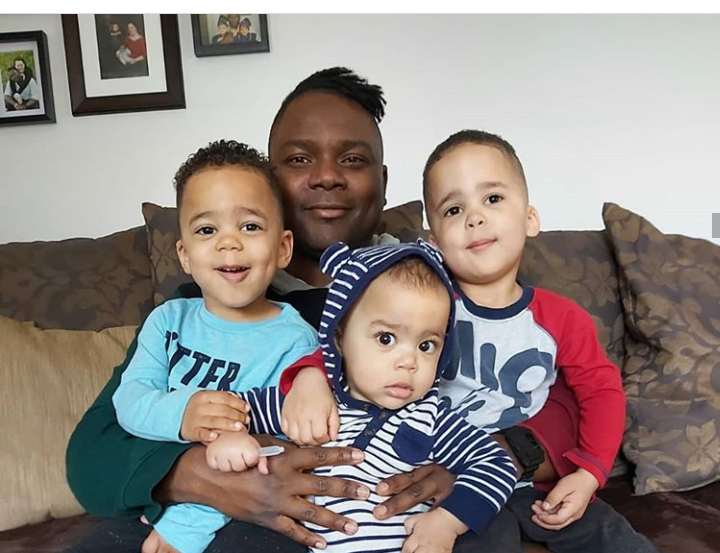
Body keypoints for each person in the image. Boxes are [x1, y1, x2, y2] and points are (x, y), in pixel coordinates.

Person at [65, 68, 569, 553]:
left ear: (383, 181)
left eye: (352, 159)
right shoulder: (204, 306)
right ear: (270, 180)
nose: (327, 176)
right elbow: (93, 453)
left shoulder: (442, 283)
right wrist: (205, 479)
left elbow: (566, 397)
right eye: (300, 159)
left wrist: (497, 460)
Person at [421, 130, 657, 552]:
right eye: (454, 209)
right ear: (434, 242)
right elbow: (359, 347)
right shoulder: (424, 308)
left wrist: (589, 472)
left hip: (536, 485)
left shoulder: (563, 317)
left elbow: (601, 392)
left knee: (620, 542)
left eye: (492, 198)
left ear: (530, 219)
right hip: (456, 485)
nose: (474, 218)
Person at [233, 241, 517, 553]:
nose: (409, 361)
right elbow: (234, 411)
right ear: (339, 339)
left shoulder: (431, 419)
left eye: (426, 345)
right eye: (386, 338)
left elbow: (496, 464)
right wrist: (229, 438)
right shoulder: (313, 403)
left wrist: (447, 522)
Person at [112, 139, 326, 553]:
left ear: (283, 247)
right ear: (184, 254)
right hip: (159, 497)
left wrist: (186, 527)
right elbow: (130, 400)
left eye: (250, 226)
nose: (230, 243)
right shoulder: (167, 321)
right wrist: (184, 414)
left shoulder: (296, 341)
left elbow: (277, 456)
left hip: (232, 516)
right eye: (207, 230)